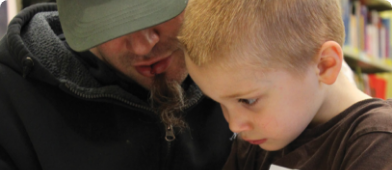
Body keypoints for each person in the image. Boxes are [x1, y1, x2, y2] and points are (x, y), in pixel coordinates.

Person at [0, 0, 233, 170]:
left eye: (156, 11)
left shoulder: (254, 60)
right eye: (112, 24)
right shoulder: (12, 101)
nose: (143, 47)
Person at [179, 0, 392, 169]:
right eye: (220, 103)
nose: (234, 125)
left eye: (248, 100)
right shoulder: (260, 142)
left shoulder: (378, 141)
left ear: (325, 65)